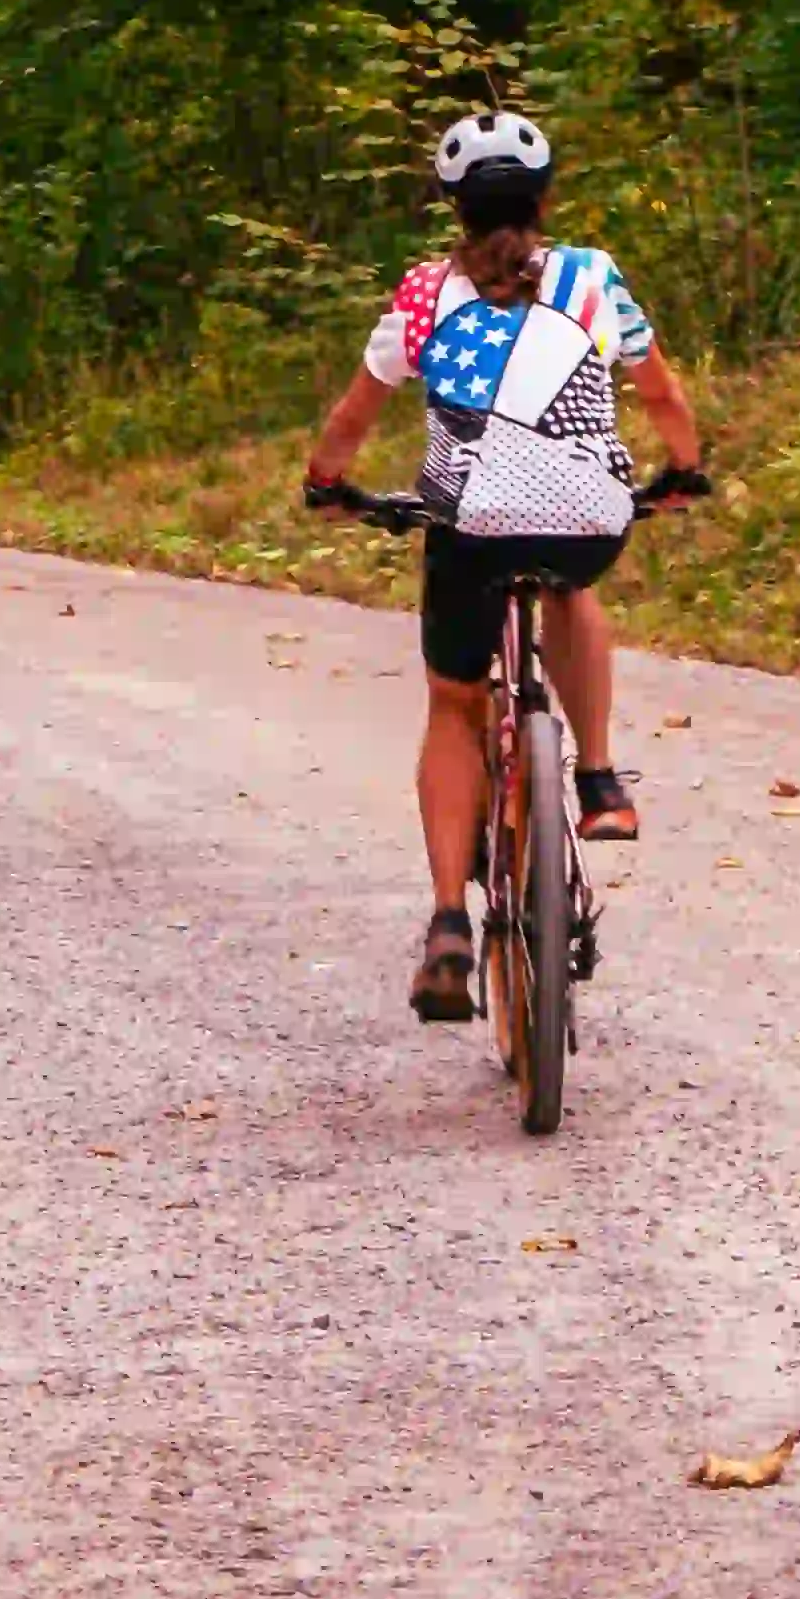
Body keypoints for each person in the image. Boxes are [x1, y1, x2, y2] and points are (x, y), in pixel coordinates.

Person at [297, 110, 708, 1024]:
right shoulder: (593, 277)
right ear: (547, 196)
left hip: (469, 527)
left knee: (453, 703)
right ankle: (599, 778)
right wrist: (682, 471)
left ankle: (449, 923)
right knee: (573, 583)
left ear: (452, 207)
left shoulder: (420, 296)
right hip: (588, 519)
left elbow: (353, 417)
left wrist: (327, 482)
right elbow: (663, 393)